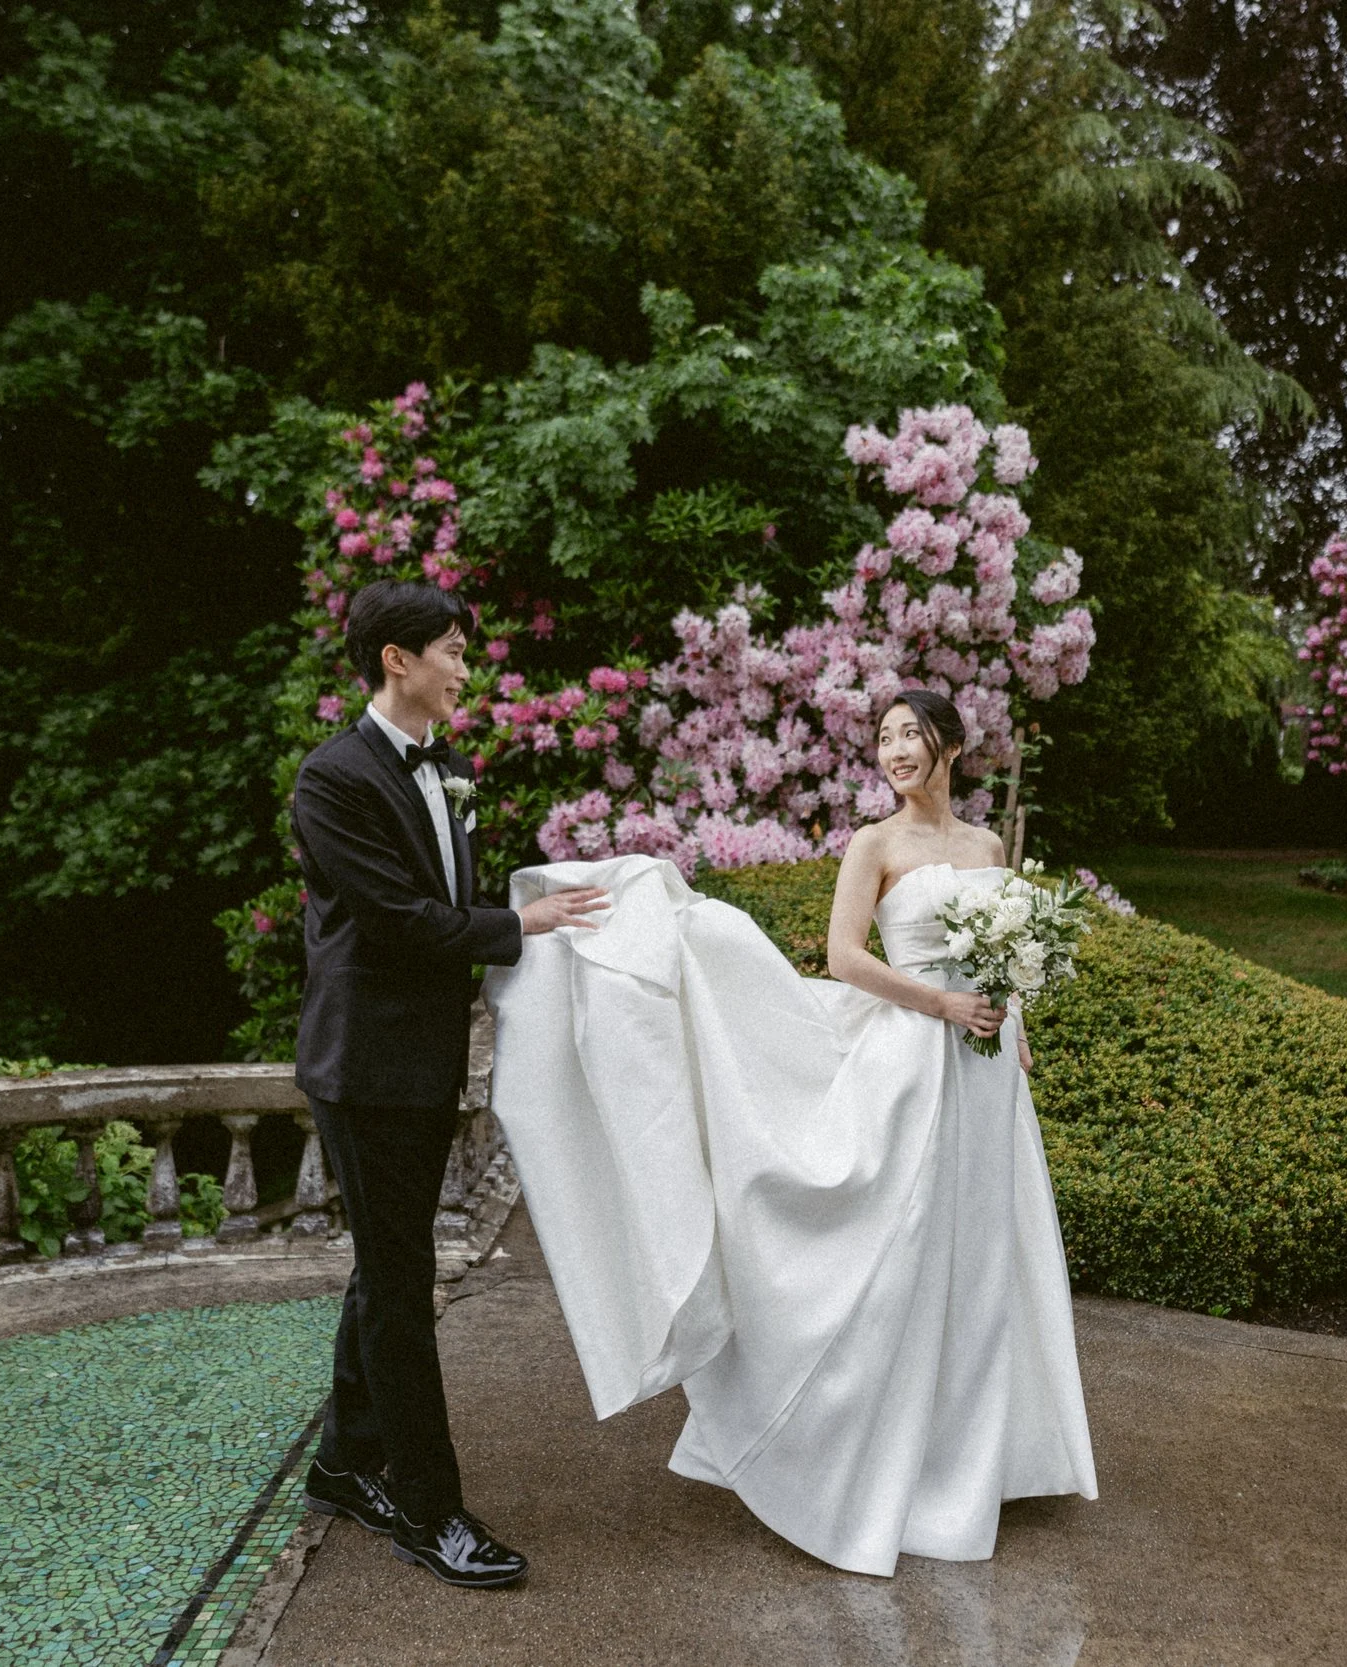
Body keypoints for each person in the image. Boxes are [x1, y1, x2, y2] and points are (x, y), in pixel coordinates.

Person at [485, 688, 1098, 1577]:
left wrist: (1017, 1032)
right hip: (915, 1062)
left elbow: (1005, 963)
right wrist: (941, 1004)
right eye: (883, 736)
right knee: (904, 1257)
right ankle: (852, 1452)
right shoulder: (874, 844)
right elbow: (846, 957)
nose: (895, 750)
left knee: (984, 1259)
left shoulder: (988, 847)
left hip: (989, 1071)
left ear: (952, 744)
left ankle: (977, 1459)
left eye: (910, 734)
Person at [290, 580, 607, 1589]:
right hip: (365, 1065)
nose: (467, 668)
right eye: (455, 651)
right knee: (399, 1284)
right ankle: (429, 1511)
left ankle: (342, 1464)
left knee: (386, 1267)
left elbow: (449, 899)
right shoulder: (331, 777)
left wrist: (532, 912)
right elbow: (394, 920)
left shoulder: (453, 767)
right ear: (398, 658)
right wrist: (520, 926)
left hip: (424, 1059)